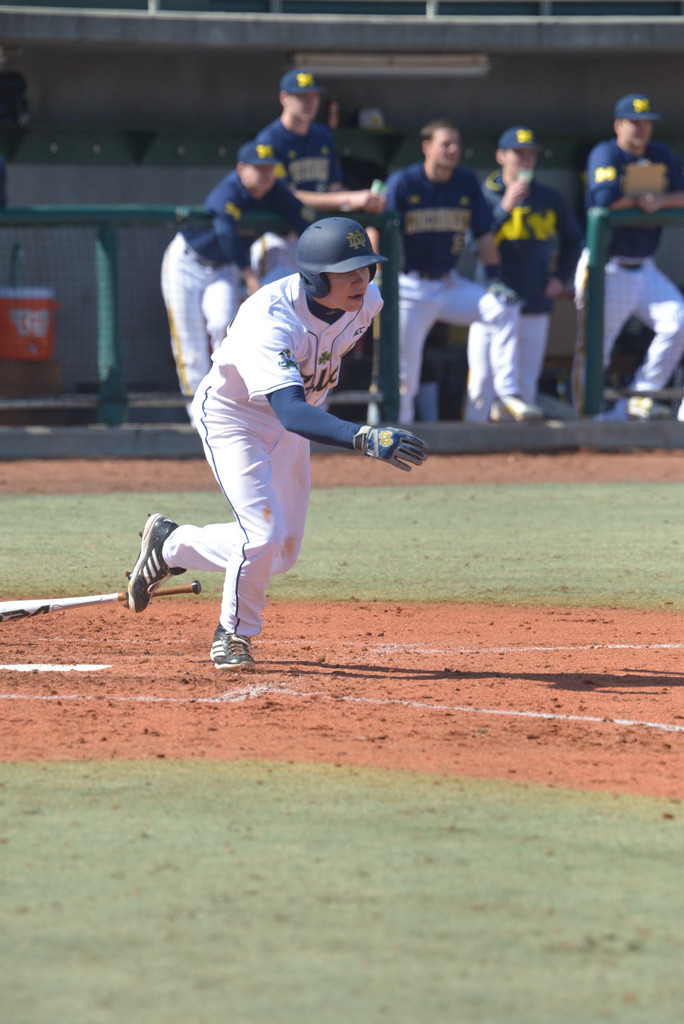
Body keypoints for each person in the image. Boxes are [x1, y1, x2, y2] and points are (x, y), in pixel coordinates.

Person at [125, 218, 427, 671]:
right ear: (315, 278)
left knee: (280, 553)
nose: (360, 280)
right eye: (346, 272)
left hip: (295, 422)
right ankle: (233, 634)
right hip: (236, 418)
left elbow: (300, 407)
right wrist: (362, 436)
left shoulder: (368, 302)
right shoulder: (270, 319)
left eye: (366, 268)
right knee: (261, 536)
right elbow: (291, 411)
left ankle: (170, 545)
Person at [384, 118, 543, 425]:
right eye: (446, 144)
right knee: (405, 376)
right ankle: (398, 434)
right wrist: (379, 275)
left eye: (456, 144)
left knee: (503, 308)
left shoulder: (466, 181)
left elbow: (483, 234)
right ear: (427, 147)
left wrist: (494, 276)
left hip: (448, 284)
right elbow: (377, 228)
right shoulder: (404, 182)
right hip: (410, 288)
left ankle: (507, 393)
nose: (453, 149)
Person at [161, 140, 312, 420]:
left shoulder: (276, 192)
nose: (266, 174)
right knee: (190, 348)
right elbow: (225, 233)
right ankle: (198, 420)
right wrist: (250, 276)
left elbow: (304, 221)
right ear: (241, 169)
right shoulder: (229, 189)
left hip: (223, 269)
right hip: (186, 264)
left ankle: (225, 411)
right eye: (259, 168)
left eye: (270, 168)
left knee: (223, 327)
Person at [573, 93, 684, 420]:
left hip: (645, 268)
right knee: (596, 348)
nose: (641, 129)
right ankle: (587, 420)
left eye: (646, 122)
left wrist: (658, 201)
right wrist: (639, 200)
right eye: (634, 123)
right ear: (618, 125)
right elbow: (604, 199)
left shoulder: (660, 153)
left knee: (678, 323)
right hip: (606, 267)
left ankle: (640, 396)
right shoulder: (606, 153)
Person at [465, 126, 583, 422]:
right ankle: (472, 441)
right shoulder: (484, 197)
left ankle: (517, 446)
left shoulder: (549, 197)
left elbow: (574, 241)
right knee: (481, 382)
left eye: (531, 155)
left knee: (525, 385)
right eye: (519, 154)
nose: (526, 161)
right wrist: (505, 207)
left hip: (534, 300)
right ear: (501, 156)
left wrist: (560, 277)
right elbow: (472, 245)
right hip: (491, 303)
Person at [251, 68, 386, 282]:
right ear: (284, 98)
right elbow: (288, 196)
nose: (309, 102)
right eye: (301, 96)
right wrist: (349, 198)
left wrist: (362, 202)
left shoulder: (322, 136)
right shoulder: (269, 140)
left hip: (319, 239)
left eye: (313, 96)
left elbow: (334, 187)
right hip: (281, 238)